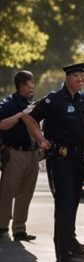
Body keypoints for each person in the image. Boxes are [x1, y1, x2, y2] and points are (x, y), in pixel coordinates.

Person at [22, 63, 84, 262]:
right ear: (67, 78)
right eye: (77, 76)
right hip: (60, 159)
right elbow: (28, 116)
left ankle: (70, 241)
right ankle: (64, 253)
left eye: (83, 76)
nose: (81, 79)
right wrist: (41, 139)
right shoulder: (54, 99)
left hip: (79, 158)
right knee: (64, 203)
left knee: (74, 202)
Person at [0, 71, 41, 243]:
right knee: (7, 192)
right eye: (28, 84)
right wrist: (20, 115)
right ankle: (2, 228)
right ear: (21, 86)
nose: (32, 87)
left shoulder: (32, 104)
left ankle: (19, 230)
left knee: (26, 193)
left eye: (32, 83)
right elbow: (2, 125)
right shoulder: (8, 104)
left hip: (32, 154)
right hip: (14, 153)